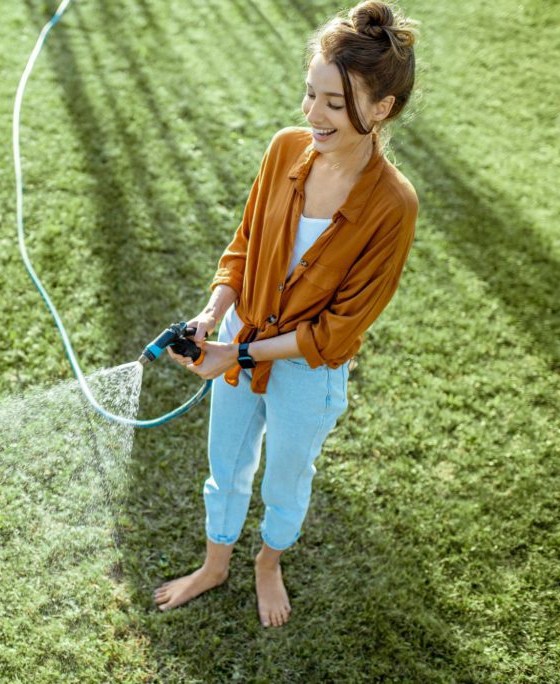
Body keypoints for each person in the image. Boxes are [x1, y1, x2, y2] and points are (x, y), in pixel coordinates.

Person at [154, 0, 420, 628]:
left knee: (286, 481)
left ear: (380, 109)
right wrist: (214, 313)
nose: (312, 114)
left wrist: (236, 354)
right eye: (310, 95)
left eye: (334, 103)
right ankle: (215, 564)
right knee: (226, 466)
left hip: (307, 370)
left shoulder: (393, 206)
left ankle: (265, 562)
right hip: (236, 340)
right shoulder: (284, 150)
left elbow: (336, 332)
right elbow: (245, 240)